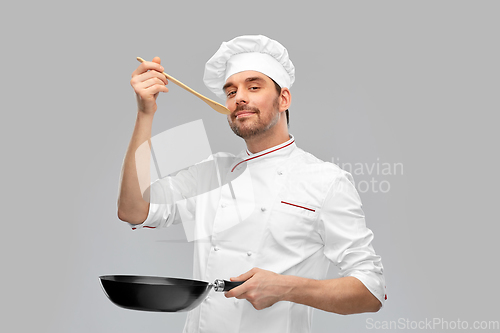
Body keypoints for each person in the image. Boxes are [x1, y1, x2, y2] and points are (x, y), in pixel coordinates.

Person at [117, 35, 386, 333]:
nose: (239, 97)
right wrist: (145, 113)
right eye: (230, 92)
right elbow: (132, 209)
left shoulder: (326, 181)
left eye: (253, 87)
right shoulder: (212, 172)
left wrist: (286, 287)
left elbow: (370, 291)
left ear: (283, 99)